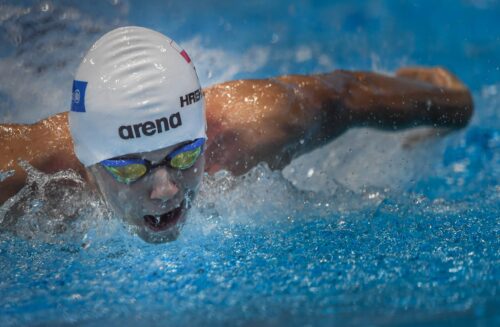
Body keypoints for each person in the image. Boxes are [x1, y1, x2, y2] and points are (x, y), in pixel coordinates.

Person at [0, 27, 473, 243]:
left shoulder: (252, 126)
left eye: (184, 156)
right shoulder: (27, 170)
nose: (165, 191)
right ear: (86, 161)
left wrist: (454, 103)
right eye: (128, 167)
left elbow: (344, 95)